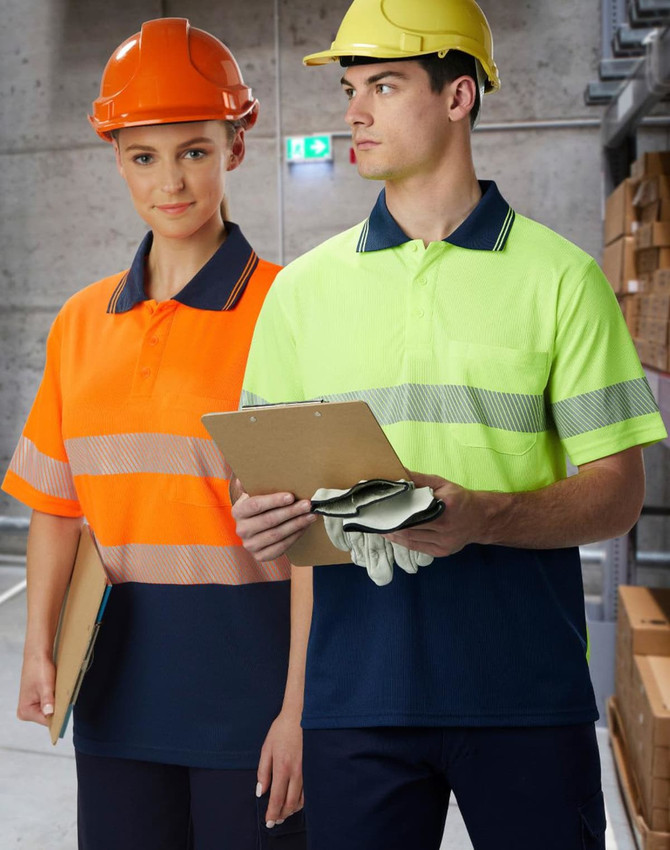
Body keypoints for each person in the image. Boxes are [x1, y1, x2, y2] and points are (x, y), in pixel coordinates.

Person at [231, 1, 669, 848]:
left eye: (385, 85)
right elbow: (284, 511)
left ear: (459, 94)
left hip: (525, 693)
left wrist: (488, 517)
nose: (354, 111)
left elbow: (619, 497)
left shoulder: (561, 280)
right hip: (355, 699)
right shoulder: (302, 294)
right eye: (351, 88)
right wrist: (267, 522)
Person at [2, 18, 306, 850]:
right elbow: (56, 509)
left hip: (249, 698)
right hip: (114, 694)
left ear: (235, 149)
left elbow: (322, 540)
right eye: (144, 156)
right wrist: (38, 652)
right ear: (117, 160)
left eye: (194, 151)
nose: (169, 181)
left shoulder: (288, 309)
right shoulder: (78, 322)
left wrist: (300, 711)